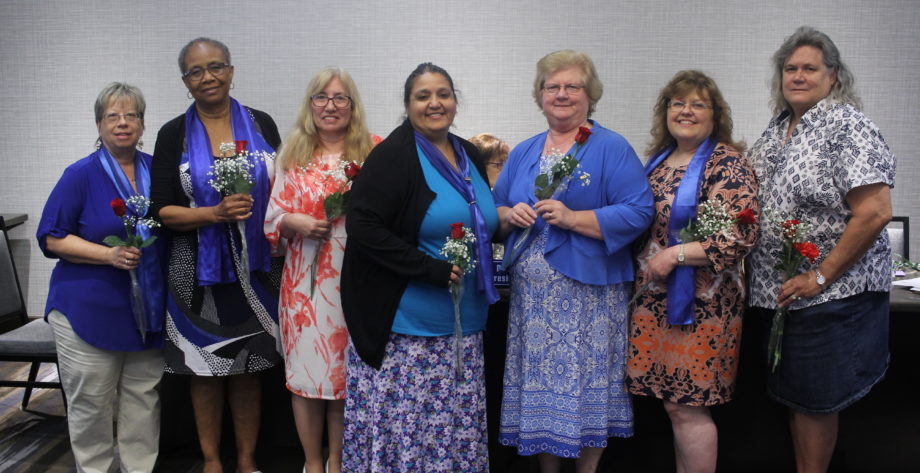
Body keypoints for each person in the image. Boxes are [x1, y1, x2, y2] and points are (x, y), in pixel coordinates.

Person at [494, 50, 654, 473]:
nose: (561, 94)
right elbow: (492, 212)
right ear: (540, 95)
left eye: (572, 86)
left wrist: (573, 218)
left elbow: (639, 212)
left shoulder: (611, 147)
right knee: (545, 390)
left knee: (583, 390)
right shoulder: (525, 151)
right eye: (553, 87)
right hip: (533, 303)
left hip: (589, 298)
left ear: (590, 95)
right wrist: (510, 215)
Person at [747, 26, 895, 473]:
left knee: (814, 403)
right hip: (785, 297)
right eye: (790, 68)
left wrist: (821, 275)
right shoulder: (778, 129)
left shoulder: (846, 124)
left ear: (832, 76)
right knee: (798, 399)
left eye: (809, 68)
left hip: (830, 295)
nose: (798, 76)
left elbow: (875, 211)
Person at [340, 63, 498, 473]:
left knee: (452, 432)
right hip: (408, 327)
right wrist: (426, 268)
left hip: (464, 323)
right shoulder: (394, 155)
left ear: (455, 101)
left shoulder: (469, 153)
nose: (435, 103)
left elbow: (475, 214)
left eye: (443, 94)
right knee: (413, 436)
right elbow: (362, 226)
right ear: (408, 105)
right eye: (423, 95)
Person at [150, 37, 282, 473]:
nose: (207, 77)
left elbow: (283, 188)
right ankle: (211, 461)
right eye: (195, 71)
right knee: (203, 368)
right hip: (194, 270)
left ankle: (245, 461)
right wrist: (214, 213)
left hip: (256, 267)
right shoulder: (173, 133)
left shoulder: (262, 124)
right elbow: (161, 210)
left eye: (215, 67)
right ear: (185, 80)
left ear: (231, 70)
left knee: (248, 365)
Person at [627, 70, 760, 473]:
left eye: (697, 104)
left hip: (704, 306)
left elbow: (742, 232)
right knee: (673, 408)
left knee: (688, 408)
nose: (686, 111)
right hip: (655, 304)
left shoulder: (728, 163)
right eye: (677, 103)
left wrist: (675, 255)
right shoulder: (658, 161)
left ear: (714, 114)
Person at [37, 82, 166, 473]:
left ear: (143, 124)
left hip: (146, 310)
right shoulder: (79, 174)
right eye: (113, 116)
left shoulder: (157, 171)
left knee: (144, 402)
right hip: (87, 311)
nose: (123, 123)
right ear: (99, 124)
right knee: (91, 405)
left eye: (131, 116)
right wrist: (107, 255)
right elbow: (52, 237)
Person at [264, 67, 380, 473]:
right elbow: (271, 218)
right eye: (321, 98)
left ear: (353, 106)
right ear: (310, 104)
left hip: (357, 282)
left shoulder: (373, 152)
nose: (330, 106)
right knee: (309, 379)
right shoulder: (291, 154)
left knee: (346, 380)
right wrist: (292, 222)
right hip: (305, 287)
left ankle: (340, 461)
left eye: (340, 98)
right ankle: (313, 464)